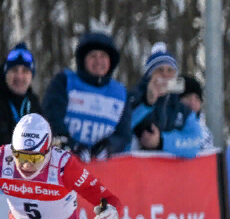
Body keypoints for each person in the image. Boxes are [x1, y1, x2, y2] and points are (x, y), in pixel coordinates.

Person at [41, 32, 132, 160]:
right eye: (93, 56)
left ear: (111, 61)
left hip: (102, 169)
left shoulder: (120, 93)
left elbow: (124, 134)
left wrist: (109, 146)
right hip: (63, 163)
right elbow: (51, 118)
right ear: (83, 59)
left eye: (103, 56)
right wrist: (72, 145)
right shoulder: (64, 82)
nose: (98, 61)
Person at [127, 44, 211, 157]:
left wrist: (161, 141)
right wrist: (146, 104)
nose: (165, 75)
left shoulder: (180, 107)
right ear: (149, 75)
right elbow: (121, 128)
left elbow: (194, 142)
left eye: (170, 70)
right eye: (159, 70)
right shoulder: (132, 97)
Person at [0, 43, 42, 145]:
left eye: (25, 71)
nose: (19, 76)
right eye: (14, 70)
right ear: (5, 74)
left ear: (31, 76)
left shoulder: (33, 103)